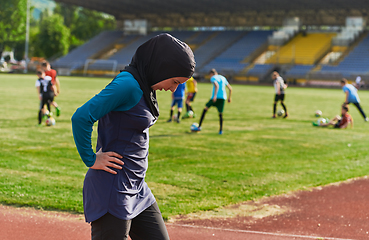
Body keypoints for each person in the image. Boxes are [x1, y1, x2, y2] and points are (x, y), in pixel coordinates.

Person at [71, 33, 195, 240]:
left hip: (137, 187)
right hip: (112, 189)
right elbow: (82, 117)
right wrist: (90, 158)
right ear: (162, 67)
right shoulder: (128, 85)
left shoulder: (146, 85)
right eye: (175, 81)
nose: (174, 89)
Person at [191, 68, 232, 135]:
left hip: (215, 98)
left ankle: (199, 126)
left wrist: (215, 96)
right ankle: (220, 130)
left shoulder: (213, 77)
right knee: (220, 114)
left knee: (205, 110)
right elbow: (230, 88)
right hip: (223, 98)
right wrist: (229, 98)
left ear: (211, 74)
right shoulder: (223, 78)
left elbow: (216, 85)